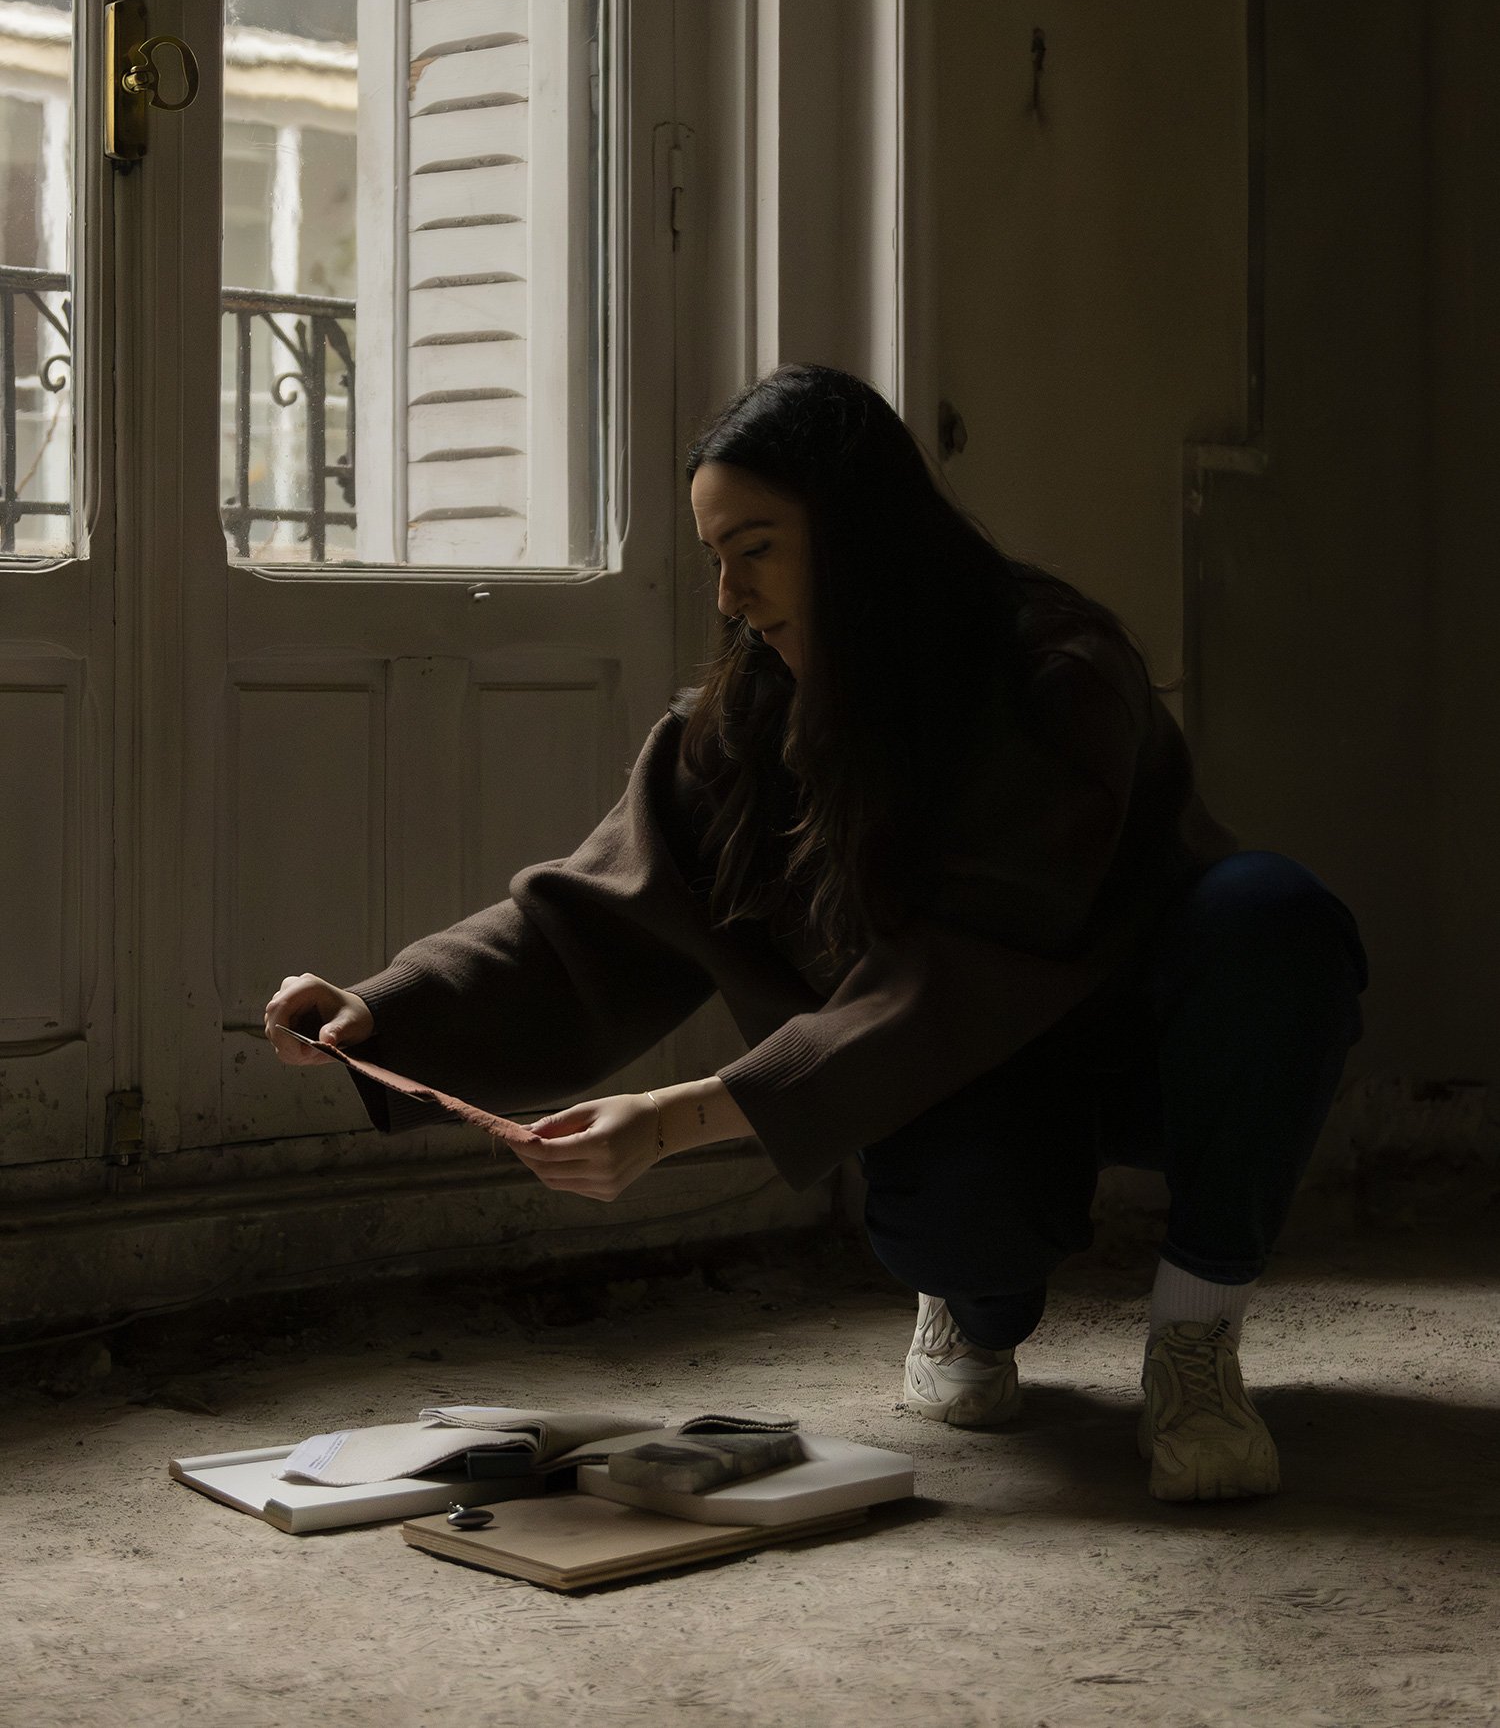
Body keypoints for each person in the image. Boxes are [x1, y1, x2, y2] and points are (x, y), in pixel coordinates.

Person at [265, 364, 1366, 1504]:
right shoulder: (744, 720)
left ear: (862, 536)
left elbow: (957, 974)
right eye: (715, 560)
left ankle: (1194, 1339)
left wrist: (676, 1120)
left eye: (758, 549)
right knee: (964, 1229)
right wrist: (383, 1011)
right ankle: (973, 1313)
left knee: (1275, 920)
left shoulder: (1055, 674)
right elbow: (588, 918)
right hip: (955, 1077)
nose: (732, 597)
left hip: (1136, 1038)